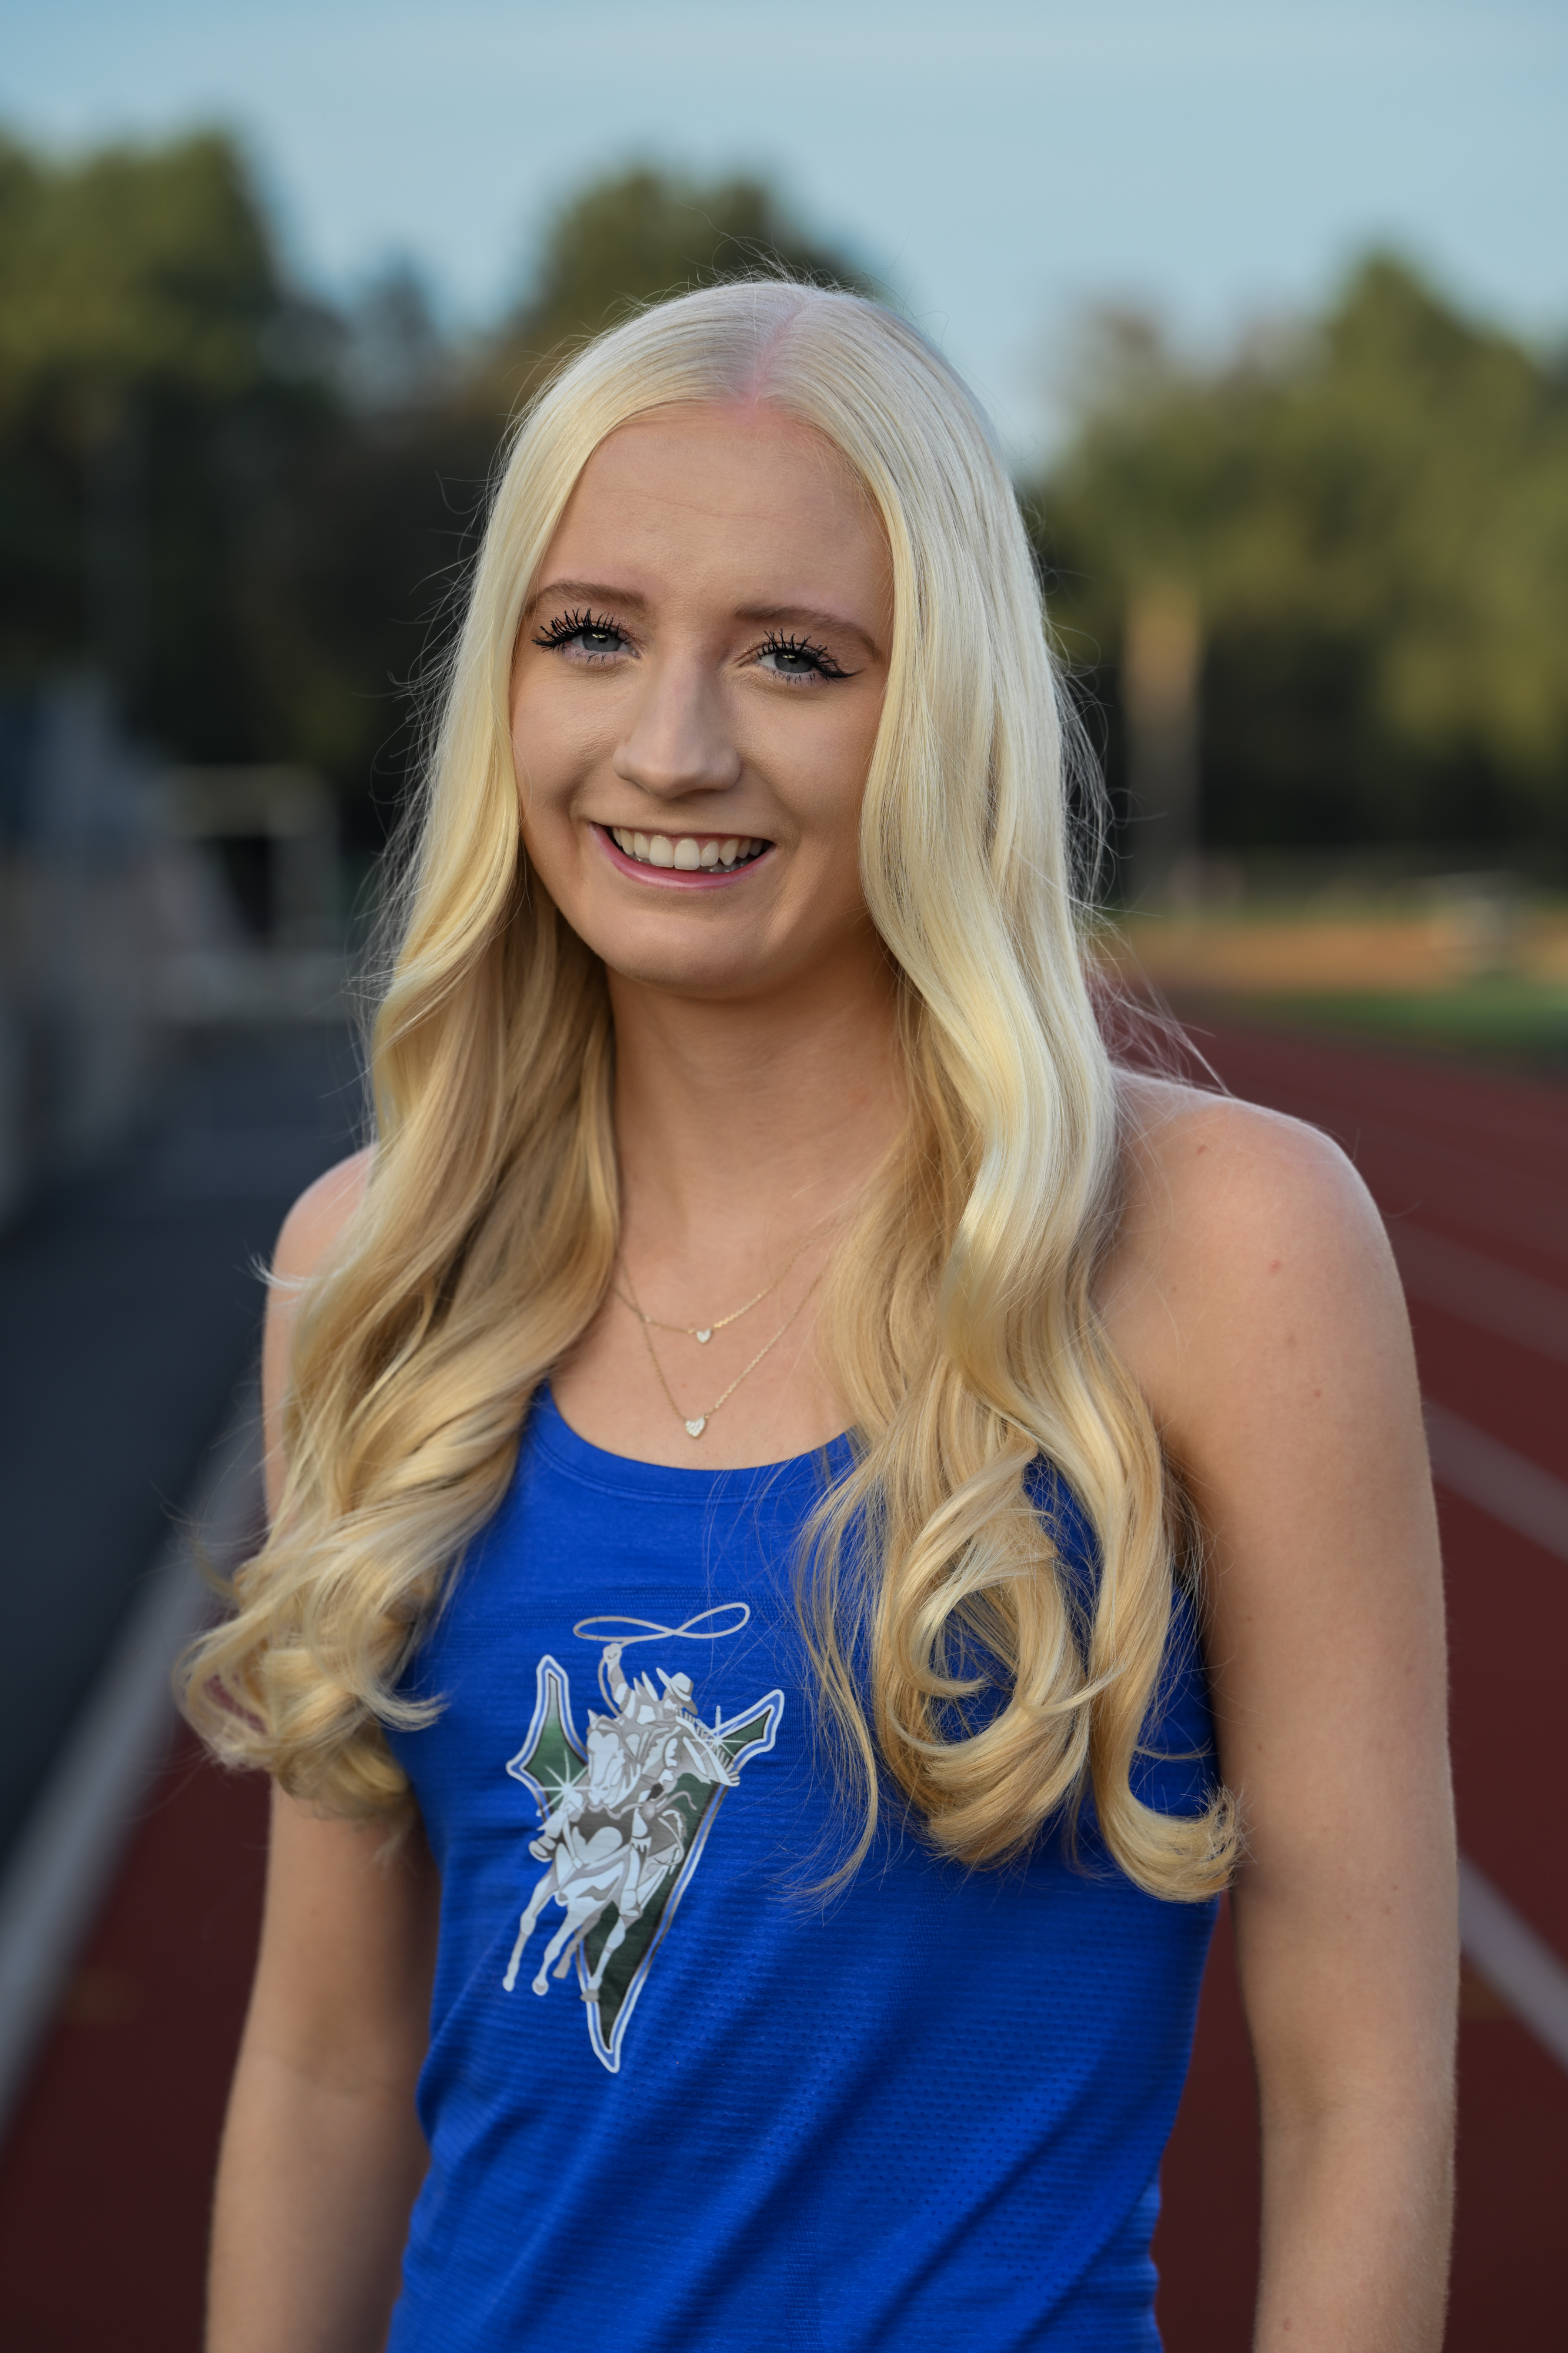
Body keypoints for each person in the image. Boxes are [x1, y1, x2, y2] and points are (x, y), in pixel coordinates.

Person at [184, 279, 1454, 2351]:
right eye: (589, 634)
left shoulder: (1226, 1244)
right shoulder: (374, 1262)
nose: (671, 747)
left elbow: (1359, 2082)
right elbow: (325, 2065)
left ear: (942, 708)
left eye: (796, 659)